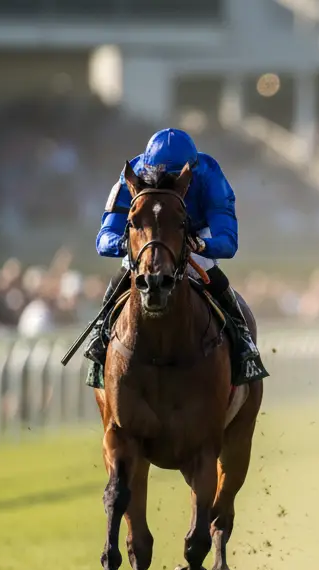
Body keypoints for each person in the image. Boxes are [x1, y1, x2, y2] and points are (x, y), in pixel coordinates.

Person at [86, 128, 266, 386]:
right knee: (128, 269)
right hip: (148, 236)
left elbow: (228, 241)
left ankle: (244, 344)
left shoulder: (210, 173)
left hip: (192, 234)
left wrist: (202, 244)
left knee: (207, 270)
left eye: (173, 178)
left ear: (189, 172)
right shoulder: (133, 173)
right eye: (158, 177)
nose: (164, 184)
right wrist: (128, 242)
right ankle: (99, 336)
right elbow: (104, 237)